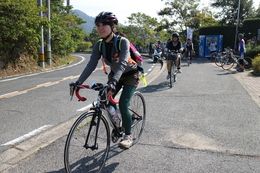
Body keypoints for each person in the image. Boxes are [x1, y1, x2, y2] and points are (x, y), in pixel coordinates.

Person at [72, 11, 140, 149]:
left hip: (130, 75)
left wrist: (113, 82)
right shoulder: (99, 44)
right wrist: (78, 82)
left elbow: (122, 63)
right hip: (115, 76)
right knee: (105, 100)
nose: (100, 28)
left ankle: (128, 135)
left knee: (123, 104)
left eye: (104, 25)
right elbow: (91, 64)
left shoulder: (123, 42)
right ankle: (118, 123)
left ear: (113, 26)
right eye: (98, 25)